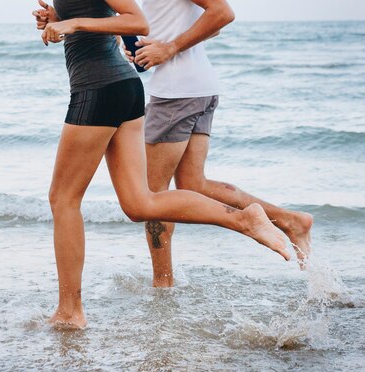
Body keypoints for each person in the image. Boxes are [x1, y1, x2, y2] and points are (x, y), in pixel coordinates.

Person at [32, 0, 290, 330]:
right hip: (120, 88)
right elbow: (97, 15)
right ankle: (244, 219)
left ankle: (70, 311)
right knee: (140, 203)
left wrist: (73, 24)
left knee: (63, 199)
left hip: (98, 89)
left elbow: (137, 21)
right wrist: (58, 17)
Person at [122, 0, 313, 287]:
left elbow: (223, 13)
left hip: (176, 93)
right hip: (198, 88)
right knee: (194, 184)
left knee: (153, 195)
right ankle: (289, 220)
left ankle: (163, 282)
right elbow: (211, 29)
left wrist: (170, 48)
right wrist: (153, 46)